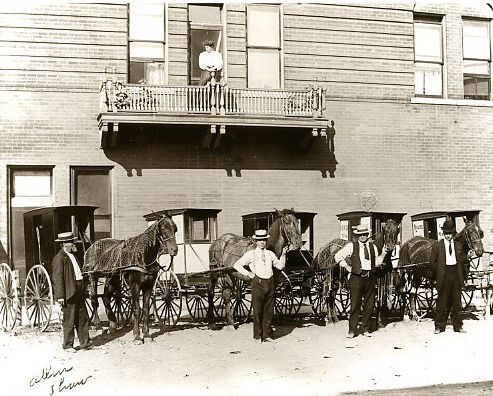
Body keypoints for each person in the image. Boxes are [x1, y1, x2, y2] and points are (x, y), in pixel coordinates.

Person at [234, 229, 288, 343]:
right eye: (260, 240)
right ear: (256, 241)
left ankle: (267, 335)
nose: (262, 242)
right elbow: (237, 265)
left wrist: (283, 255)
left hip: (270, 283)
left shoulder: (270, 254)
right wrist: (248, 273)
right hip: (257, 284)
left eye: (264, 240)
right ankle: (258, 336)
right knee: (257, 311)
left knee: (269, 311)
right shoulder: (251, 254)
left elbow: (279, 266)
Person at [335, 224, 388, 338]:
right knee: (355, 304)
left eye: (365, 234)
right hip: (357, 278)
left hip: (370, 277)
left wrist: (383, 253)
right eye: (360, 235)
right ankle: (352, 330)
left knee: (369, 304)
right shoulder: (351, 246)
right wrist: (346, 266)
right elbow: (338, 256)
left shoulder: (372, 247)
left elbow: (377, 262)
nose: (363, 236)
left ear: (367, 235)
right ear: (357, 236)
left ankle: (365, 328)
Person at [53, 232, 92, 353]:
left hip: (78, 291)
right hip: (70, 291)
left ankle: (85, 343)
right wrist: (60, 296)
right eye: (72, 242)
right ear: (65, 244)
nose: (74, 244)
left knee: (82, 317)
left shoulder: (73, 256)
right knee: (69, 319)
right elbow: (57, 278)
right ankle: (68, 346)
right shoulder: (59, 258)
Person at [432, 220, 467, 334]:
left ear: (453, 234)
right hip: (444, 275)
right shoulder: (438, 246)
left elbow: (462, 260)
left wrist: (468, 257)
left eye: (450, 233)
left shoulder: (458, 246)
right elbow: (432, 262)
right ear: (443, 233)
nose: (448, 236)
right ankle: (439, 326)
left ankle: (458, 326)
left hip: (456, 275)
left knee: (457, 302)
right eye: (446, 233)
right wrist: (439, 273)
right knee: (442, 302)